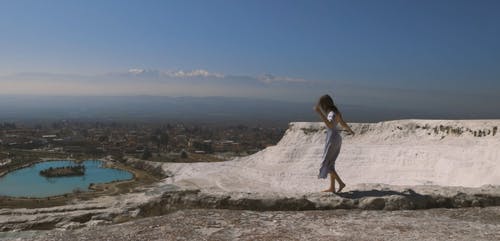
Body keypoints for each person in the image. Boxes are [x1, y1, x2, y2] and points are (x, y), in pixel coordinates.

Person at [314, 94, 355, 193]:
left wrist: (319, 113)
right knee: (331, 163)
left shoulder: (331, 113)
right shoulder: (336, 112)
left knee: (327, 164)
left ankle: (340, 183)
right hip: (336, 138)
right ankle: (332, 187)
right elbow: (343, 123)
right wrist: (350, 130)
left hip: (332, 138)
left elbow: (330, 125)